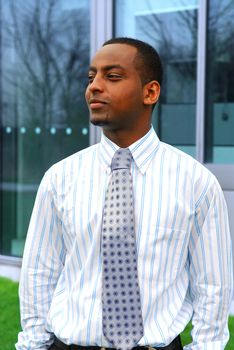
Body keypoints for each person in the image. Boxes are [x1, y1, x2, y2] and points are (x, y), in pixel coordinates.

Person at [16, 37, 233, 350]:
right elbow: (39, 272)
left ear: (150, 92)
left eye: (112, 77)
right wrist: (33, 345)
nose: (94, 87)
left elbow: (212, 285)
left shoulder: (196, 182)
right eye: (91, 78)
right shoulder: (59, 178)